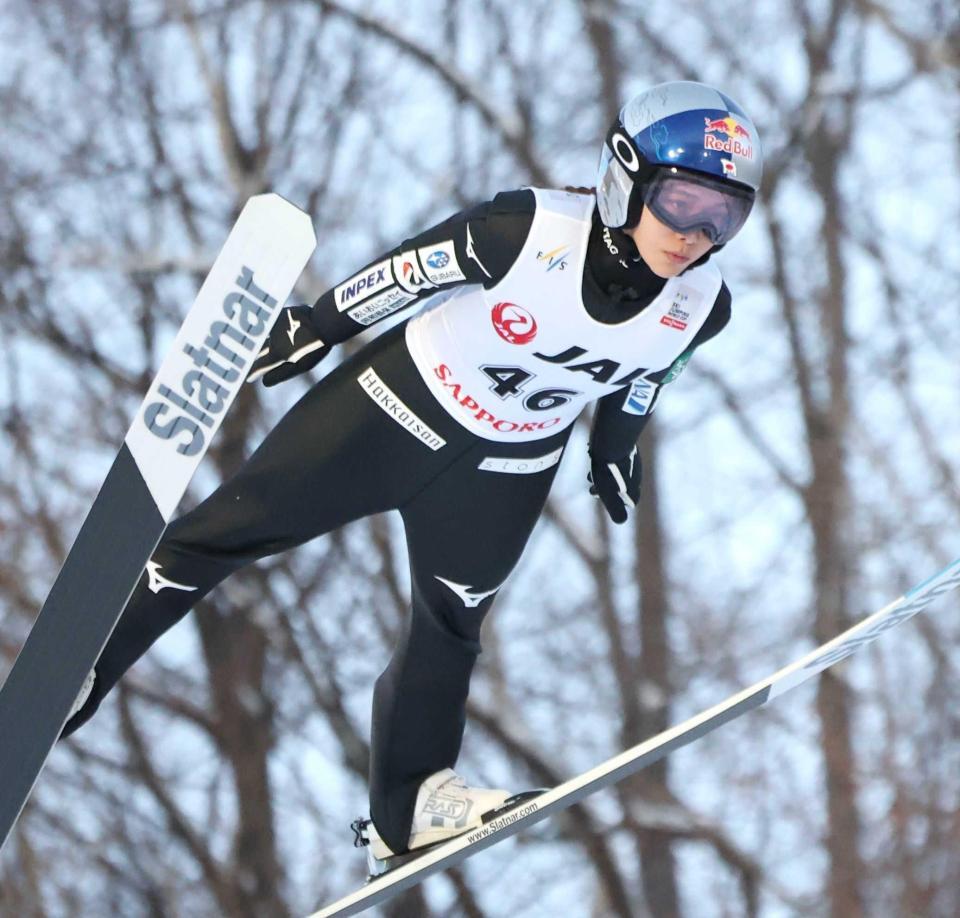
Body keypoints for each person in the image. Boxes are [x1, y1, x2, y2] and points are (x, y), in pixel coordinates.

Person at [61, 81, 762, 866]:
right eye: (682, 202)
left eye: (724, 215)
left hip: (507, 463)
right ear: (623, 176)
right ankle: (80, 668)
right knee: (225, 531)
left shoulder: (703, 304)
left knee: (450, 629)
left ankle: (410, 807)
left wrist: (613, 444)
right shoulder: (526, 231)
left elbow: (650, 373)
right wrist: (319, 326)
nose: (697, 233)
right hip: (394, 408)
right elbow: (412, 271)